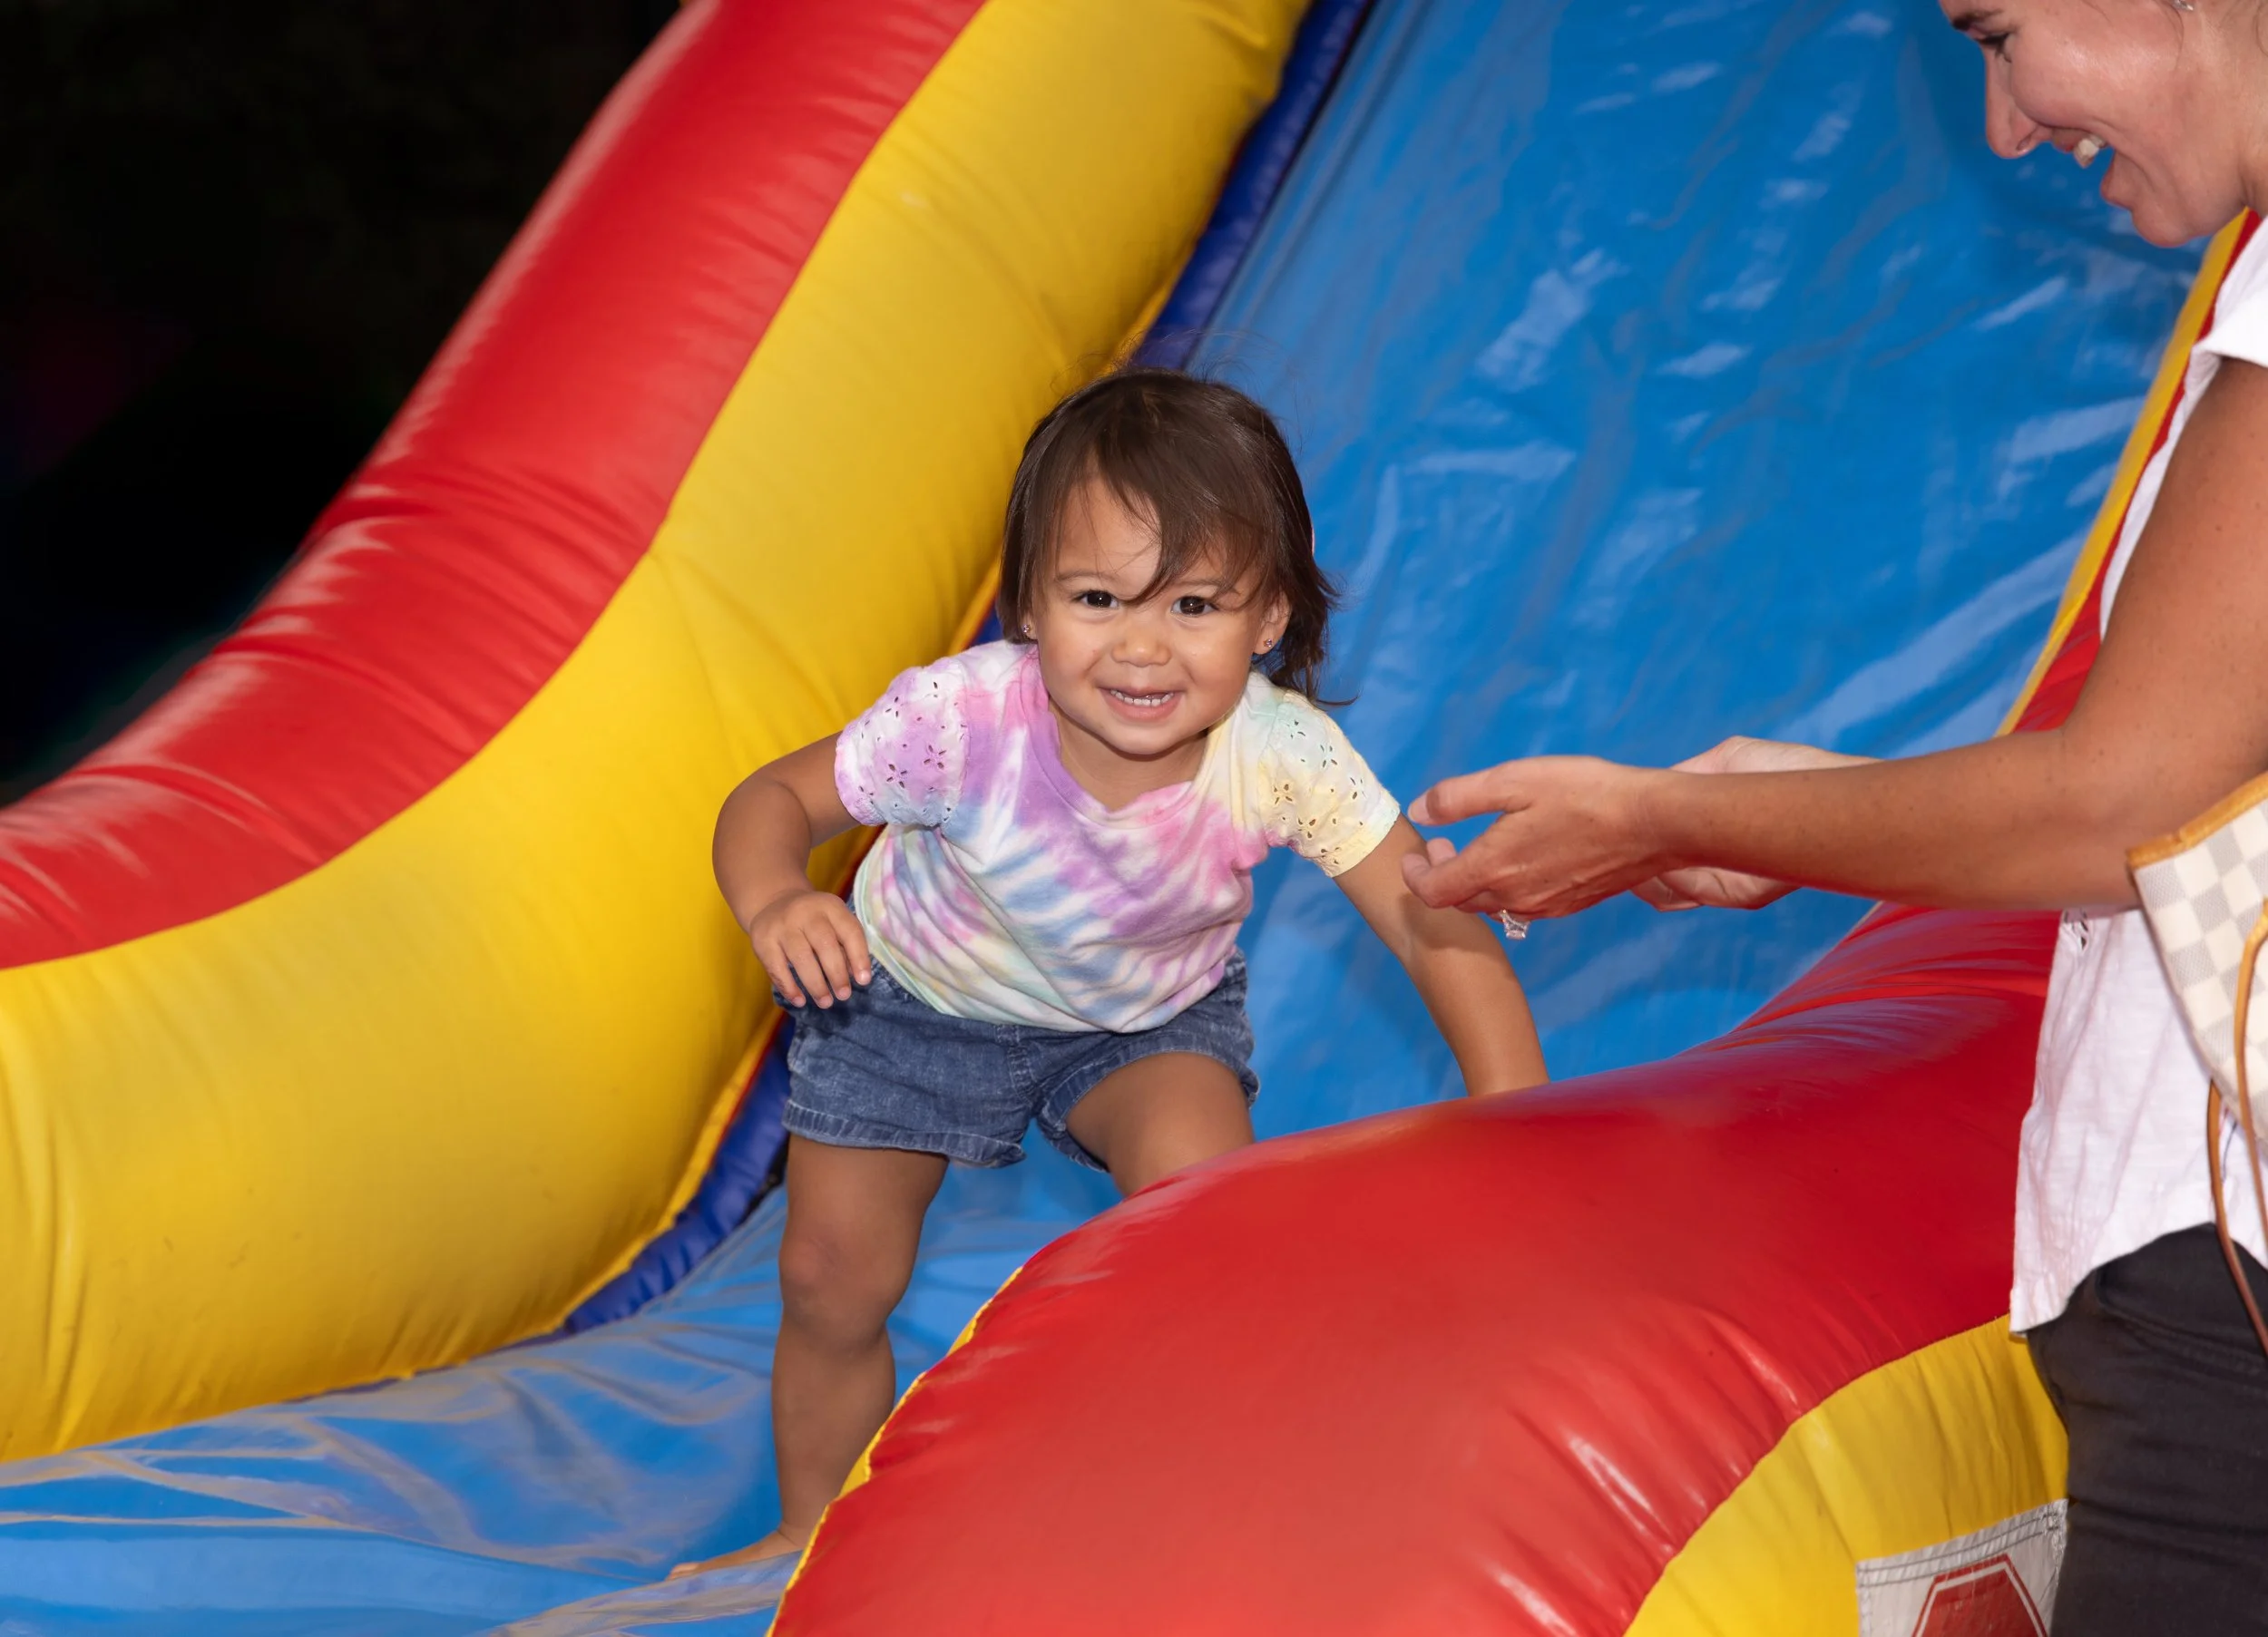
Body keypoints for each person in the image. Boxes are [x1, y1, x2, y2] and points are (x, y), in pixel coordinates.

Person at [1399, 2, 2268, 1628]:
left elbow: (2127, 805)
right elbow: (2211, 787)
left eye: (2003, 34)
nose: (2005, 122)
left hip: (2227, 1273)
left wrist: (1649, 817)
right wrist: (1806, 805)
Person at [689, 368, 1547, 1574]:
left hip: (1142, 1022)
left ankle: (1184, 1503)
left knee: (1209, 1222)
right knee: (833, 1278)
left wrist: (1518, 1118)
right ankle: (805, 1528)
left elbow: (1428, 917)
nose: (1142, 648)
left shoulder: (1282, 752)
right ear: (1031, 604)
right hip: (909, 1003)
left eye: (1194, 605)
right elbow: (770, 796)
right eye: (1099, 598)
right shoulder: (961, 721)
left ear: (1270, 622)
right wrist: (778, 895)